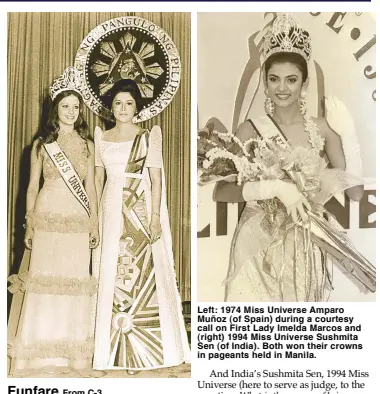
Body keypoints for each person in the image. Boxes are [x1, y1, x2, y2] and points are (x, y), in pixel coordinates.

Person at [214, 14, 365, 302]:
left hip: (304, 245)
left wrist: (349, 135)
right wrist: (273, 189)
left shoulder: (322, 129)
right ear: (265, 82)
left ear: (304, 83)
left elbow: (356, 193)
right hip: (255, 244)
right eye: (274, 79)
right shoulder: (250, 129)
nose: (282, 88)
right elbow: (221, 192)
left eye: (291, 80)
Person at [92, 79, 190, 372]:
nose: (123, 108)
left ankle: (151, 349)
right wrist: (94, 218)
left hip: (139, 208)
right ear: (111, 106)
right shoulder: (101, 137)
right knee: (112, 269)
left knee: (144, 272)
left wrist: (156, 216)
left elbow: (157, 179)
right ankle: (111, 350)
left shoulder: (149, 136)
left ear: (137, 107)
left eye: (129, 103)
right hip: (110, 210)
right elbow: (98, 180)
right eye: (118, 103)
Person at [7, 67, 99, 376]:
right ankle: (36, 354)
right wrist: (29, 224)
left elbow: (91, 190)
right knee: (45, 280)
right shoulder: (41, 145)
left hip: (77, 218)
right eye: (65, 106)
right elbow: (32, 187)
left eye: (76, 107)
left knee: (72, 281)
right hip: (47, 217)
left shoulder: (88, 146)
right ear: (55, 109)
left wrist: (94, 224)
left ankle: (72, 356)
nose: (71, 112)